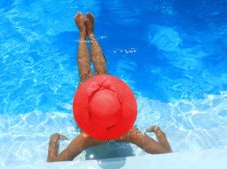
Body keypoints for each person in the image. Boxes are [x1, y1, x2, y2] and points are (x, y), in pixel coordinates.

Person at [47, 12, 172, 162]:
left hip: (99, 107)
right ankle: (91, 35)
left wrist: (53, 141)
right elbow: (166, 153)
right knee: (101, 73)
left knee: (86, 75)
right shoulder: (129, 133)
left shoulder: (86, 138)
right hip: (107, 104)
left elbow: (55, 164)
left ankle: (83, 35)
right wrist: (158, 132)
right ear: (120, 111)